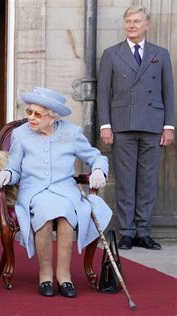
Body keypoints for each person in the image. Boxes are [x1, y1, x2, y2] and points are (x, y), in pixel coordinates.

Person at [0, 87, 112, 298]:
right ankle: (45, 274)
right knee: (45, 215)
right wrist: (7, 175)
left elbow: (96, 157)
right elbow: (15, 168)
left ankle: (64, 276)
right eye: (29, 111)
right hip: (34, 191)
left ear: (52, 117)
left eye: (37, 114)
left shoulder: (71, 133)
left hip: (65, 190)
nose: (31, 117)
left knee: (66, 215)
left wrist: (100, 170)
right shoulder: (20, 134)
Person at [97, 5, 174, 251]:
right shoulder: (111, 54)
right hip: (123, 124)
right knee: (126, 180)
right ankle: (127, 232)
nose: (131, 25)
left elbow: (168, 92)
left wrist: (169, 126)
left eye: (136, 21)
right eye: (128, 21)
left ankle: (144, 231)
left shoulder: (160, 54)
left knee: (148, 181)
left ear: (147, 24)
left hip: (152, 124)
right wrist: (105, 125)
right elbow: (102, 93)